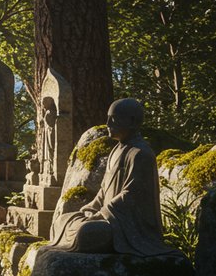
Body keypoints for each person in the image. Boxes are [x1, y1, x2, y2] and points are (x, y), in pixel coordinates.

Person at [49, 98, 173, 256]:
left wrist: (101, 214)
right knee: (61, 220)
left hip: (126, 226)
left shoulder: (141, 154)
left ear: (131, 121)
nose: (107, 123)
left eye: (113, 119)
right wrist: (90, 209)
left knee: (87, 233)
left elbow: (130, 196)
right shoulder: (115, 150)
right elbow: (103, 191)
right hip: (106, 216)